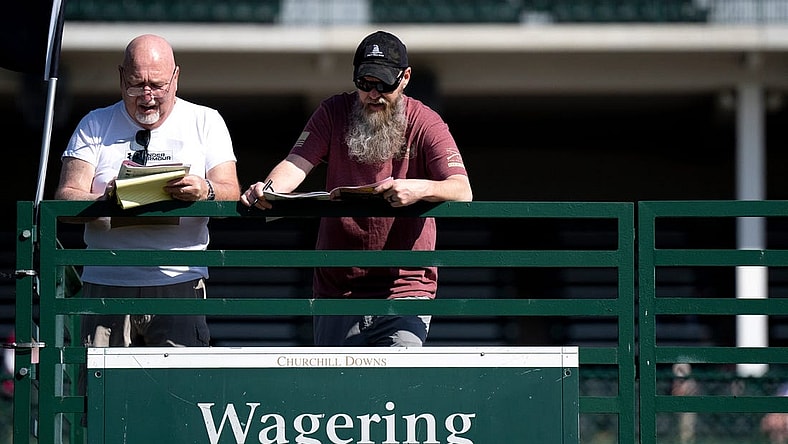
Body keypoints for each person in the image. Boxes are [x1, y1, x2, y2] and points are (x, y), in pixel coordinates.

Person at [241, 30, 472, 347]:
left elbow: (462, 189)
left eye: (384, 84)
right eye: (365, 83)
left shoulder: (426, 121)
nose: (373, 94)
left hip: (404, 286)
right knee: (337, 391)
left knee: (398, 387)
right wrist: (266, 190)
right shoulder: (333, 112)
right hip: (337, 287)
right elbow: (296, 163)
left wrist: (417, 189)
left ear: (405, 78)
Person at [54, 34, 240, 349]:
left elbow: (231, 191)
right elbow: (65, 197)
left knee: (180, 392)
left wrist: (203, 189)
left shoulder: (206, 121)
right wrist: (105, 202)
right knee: (100, 393)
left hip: (179, 280)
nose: (148, 96)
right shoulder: (95, 124)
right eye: (136, 84)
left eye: (158, 85)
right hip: (107, 282)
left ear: (176, 78)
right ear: (120, 77)